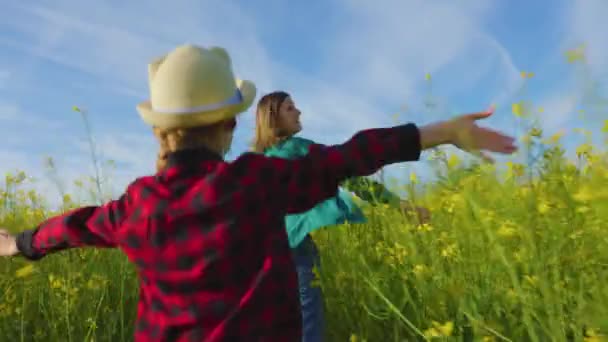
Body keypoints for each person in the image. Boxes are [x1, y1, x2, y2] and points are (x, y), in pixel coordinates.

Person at [0, 44, 517, 342]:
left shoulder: (140, 206)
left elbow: (74, 226)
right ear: (228, 125)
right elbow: (350, 155)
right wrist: (441, 131)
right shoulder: (256, 180)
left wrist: (16, 244)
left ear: (158, 132)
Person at [252, 91, 430, 341]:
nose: (299, 111)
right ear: (273, 118)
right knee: (308, 323)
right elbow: (350, 174)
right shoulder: (299, 149)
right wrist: (399, 205)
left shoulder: (254, 165)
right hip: (297, 250)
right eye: (290, 108)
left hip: (265, 258)